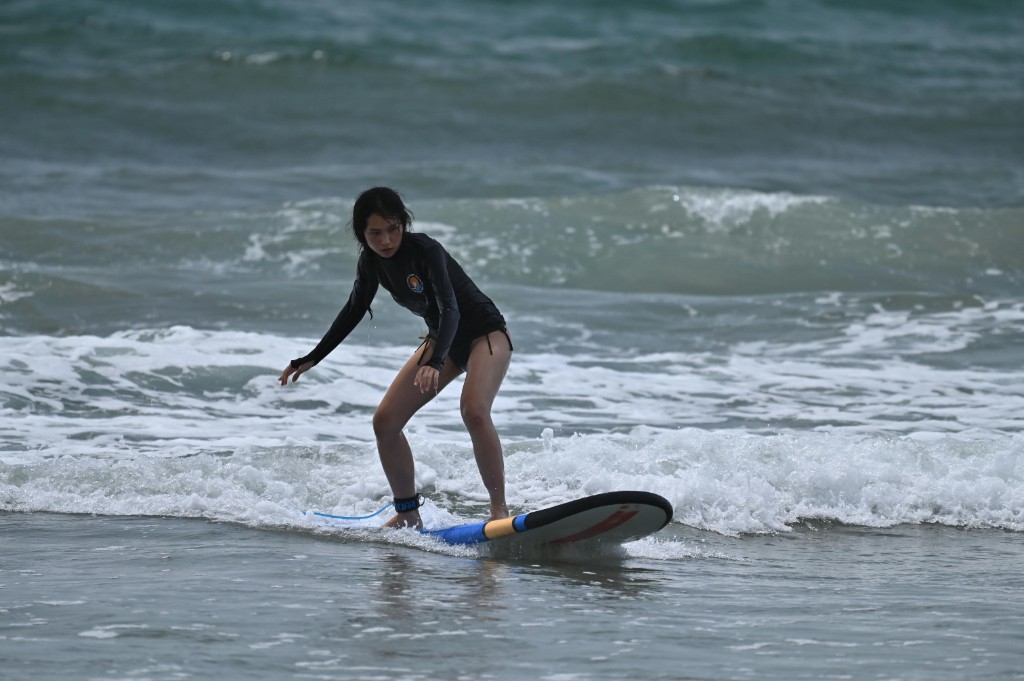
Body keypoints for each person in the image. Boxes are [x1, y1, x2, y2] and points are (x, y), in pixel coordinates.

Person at [279, 187, 513, 529]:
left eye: (393, 229)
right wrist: (311, 357)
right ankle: (407, 514)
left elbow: (450, 307)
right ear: (362, 233)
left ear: (403, 224)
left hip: (485, 333)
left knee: (474, 411)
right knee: (385, 422)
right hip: (441, 339)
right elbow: (354, 309)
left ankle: (499, 511)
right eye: (375, 233)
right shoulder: (371, 262)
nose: (386, 240)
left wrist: (435, 362)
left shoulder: (427, 250)